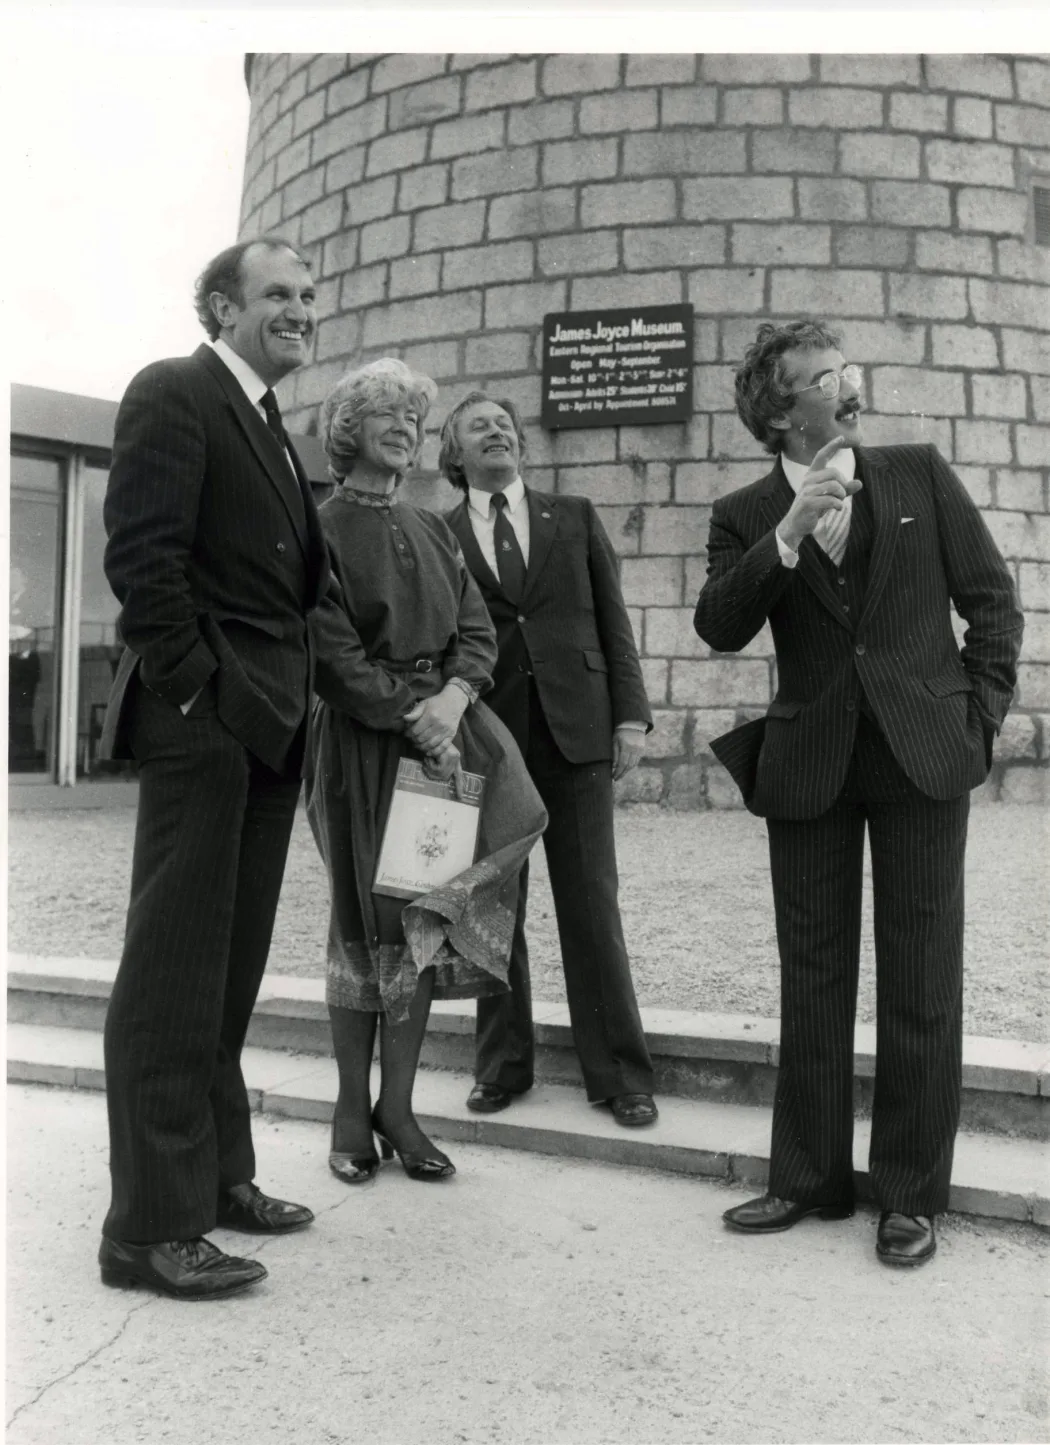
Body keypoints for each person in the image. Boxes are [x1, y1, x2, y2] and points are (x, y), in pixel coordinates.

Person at [693, 320, 1023, 1267]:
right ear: (778, 410)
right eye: (823, 377)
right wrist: (787, 538)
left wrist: (979, 718)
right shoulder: (745, 510)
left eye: (846, 370)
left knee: (922, 978)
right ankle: (807, 1177)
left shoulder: (917, 472)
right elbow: (719, 624)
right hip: (811, 763)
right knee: (814, 972)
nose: (848, 385)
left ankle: (912, 1194)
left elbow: (992, 600)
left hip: (923, 753)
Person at [97, 238, 329, 1300]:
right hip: (210, 724)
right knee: (172, 976)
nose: (300, 309)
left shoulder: (276, 426)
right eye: (278, 293)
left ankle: (219, 1176)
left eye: (308, 297)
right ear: (222, 307)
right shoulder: (175, 392)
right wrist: (204, 696)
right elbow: (143, 564)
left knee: (226, 976)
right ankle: (149, 1226)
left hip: (271, 729)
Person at [306, 360, 546, 1185]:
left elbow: (475, 630)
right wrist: (412, 715)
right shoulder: (322, 527)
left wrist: (451, 697)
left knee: (417, 921)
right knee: (361, 922)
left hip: (439, 744)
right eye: (387, 414)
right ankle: (348, 1110)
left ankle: (398, 1109)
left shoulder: (434, 527)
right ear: (349, 430)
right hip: (362, 749)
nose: (406, 427)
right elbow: (328, 649)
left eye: (414, 417)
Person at [440, 393, 659, 1127]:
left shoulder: (573, 515)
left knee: (592, 904)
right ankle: (502, 1066)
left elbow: (613, 619)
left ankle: (620, 1074)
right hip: (489, 738)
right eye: (479, 426)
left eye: (504, 423)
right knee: (492, 904)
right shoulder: (438, 534)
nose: (497, 430)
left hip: (579, 732)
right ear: (454, 452)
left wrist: (629, 715)